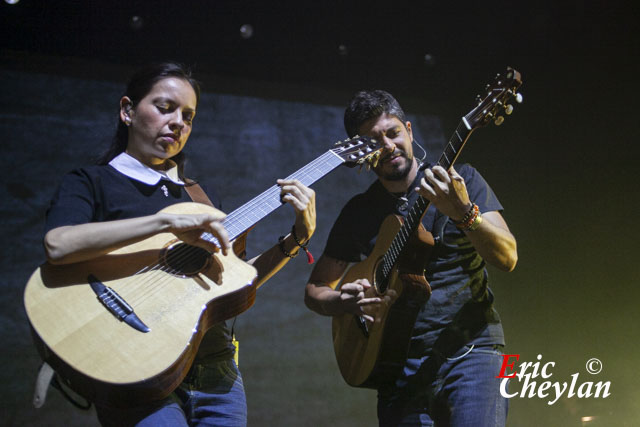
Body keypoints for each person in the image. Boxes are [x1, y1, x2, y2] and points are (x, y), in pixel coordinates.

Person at [43, 62, 316, 426]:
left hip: (217, 373)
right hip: (137, 365)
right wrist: (163, 221)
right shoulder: (92, 181)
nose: (178, 123)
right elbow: (58, 245)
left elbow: (235, 284)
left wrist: (296, 238)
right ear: (127, 110)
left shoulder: (201, 196)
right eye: (165, 107)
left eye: (188, 116)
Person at [304, 90, 517, 426]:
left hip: (473, 351)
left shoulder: (461, 181)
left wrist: (463, 212)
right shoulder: (358, 213)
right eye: (373, 141)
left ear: (409, 130)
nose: (387, 146)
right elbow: (316, 288)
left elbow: (507, 256)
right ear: (360, 153)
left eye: (392, 133)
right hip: (395, 367)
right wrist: (344, 301)